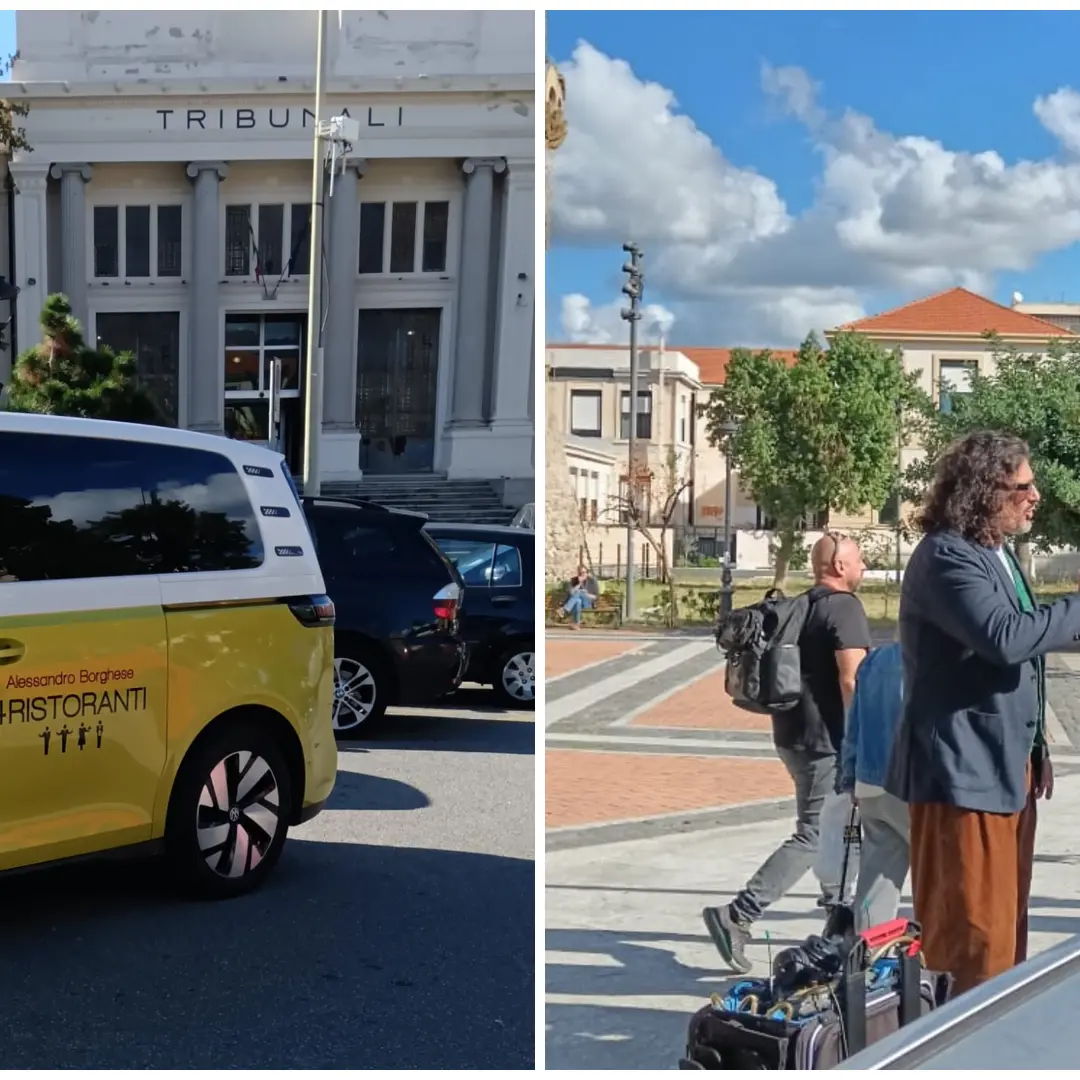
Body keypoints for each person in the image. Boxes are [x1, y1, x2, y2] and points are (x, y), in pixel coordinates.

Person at [884, 430, 1078, 996]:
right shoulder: (947, 555)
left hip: (1003, 770)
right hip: (960, 777)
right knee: (969, 945)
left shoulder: (993, 552)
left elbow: (1029, 645)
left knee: (1004, 935)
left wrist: (1034, 748)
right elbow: (1007, 639)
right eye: (1022, 485)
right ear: (983, 489)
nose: (1034, 494)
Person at [703, 532, 872, 973]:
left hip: (792, 735)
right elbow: (853, 680)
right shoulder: (845, 608)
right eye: (859, 561)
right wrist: (864, 738)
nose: (864, 567)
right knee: (815, 834)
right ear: (838, 567)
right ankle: (738, 914)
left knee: (839, 830)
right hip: (828, 741)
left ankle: (838, 917)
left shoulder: (802, 607)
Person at [838, 639, 908, 931]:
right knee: (945, 877)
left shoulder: (875, 659)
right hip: (908, 784)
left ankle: (867, 961)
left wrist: (850, 776)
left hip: (870, 782)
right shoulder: (928, 660)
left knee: (876, 882)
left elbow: (853, 724)